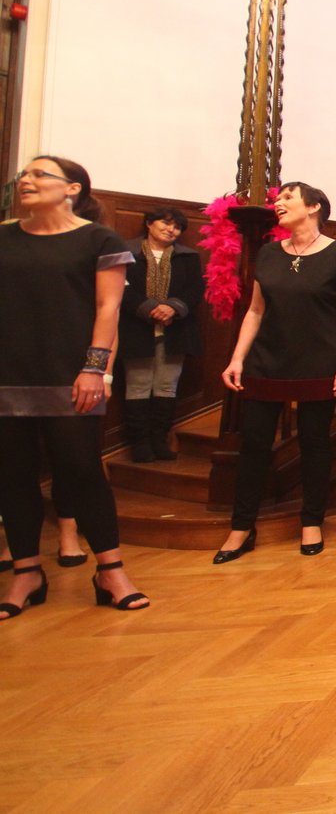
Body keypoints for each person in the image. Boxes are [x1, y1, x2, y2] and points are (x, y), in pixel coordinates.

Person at [0, 156, 149, 618]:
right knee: (12, 475)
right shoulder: (3, 236)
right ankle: (27, 572)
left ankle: (110, 571)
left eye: (40, 174)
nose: (27, 180)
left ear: (72, 189)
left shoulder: (98, 239)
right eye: (24, 174)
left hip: (72, 375)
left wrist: (94, 369)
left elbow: (108, 309)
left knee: (82, 471)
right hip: (8, 374)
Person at [215, 182, 336, 563]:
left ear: (313, 207)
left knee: (315, 443)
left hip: (320, 359)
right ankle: (241, 527)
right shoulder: (268, 253)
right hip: (267, 360)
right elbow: (255, 311)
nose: (277, 203)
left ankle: (312, 521)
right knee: (253, 445)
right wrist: (237, 358)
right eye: (278, 199)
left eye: (287, 198)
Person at [118, 206, 204, 464]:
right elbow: (120, 287)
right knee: (138, 386)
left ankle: (159, 440)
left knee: (167, 386)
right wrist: (150, 309)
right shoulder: (126, 251)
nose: (171, 230)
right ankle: (139, 444)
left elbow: (195, 289)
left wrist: (172, 308)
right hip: (136, 328)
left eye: (177, 227)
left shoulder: (188, 256)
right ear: (149, 223)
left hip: (175, 329)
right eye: (165, 223)